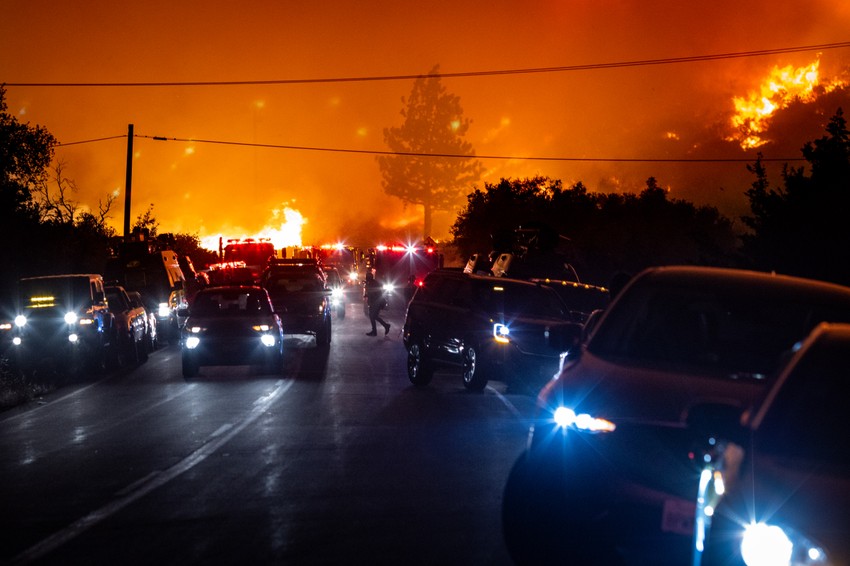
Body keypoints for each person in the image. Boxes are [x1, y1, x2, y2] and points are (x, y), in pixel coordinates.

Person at [364, 271, 390, 336]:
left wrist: (367, 287)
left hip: (376, 302)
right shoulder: (371, 283)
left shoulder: (373, 283)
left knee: (372, 316)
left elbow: (374, 293)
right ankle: (385, 326)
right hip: (374, 302)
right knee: (374, 316)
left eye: (367, 277)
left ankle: (375, 331)